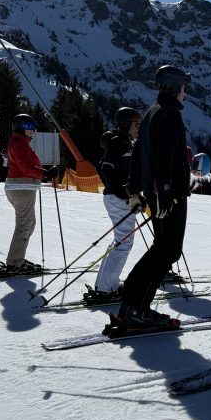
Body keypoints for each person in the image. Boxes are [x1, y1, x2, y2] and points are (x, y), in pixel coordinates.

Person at [115, 65, 193, 330]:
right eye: (184, 86)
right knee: (167, 250)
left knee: (162, 249)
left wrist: (135, 189)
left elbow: (138, 154)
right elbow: (164, 158)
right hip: (167, 196)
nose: (186, 91)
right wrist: (165, 195)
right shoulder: (170, 114)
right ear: (176, 87)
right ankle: (135, 308)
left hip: (156, 193)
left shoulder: (152, 112)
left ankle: (132, 305)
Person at [85, 107, 144, 304]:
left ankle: (106, 285)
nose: (138, 128)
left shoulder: (123, 141)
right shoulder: (119, 142)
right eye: (136, 124)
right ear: (127, 124)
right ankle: (105, 289)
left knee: (120, 241)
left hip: (119, 197)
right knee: (124, 243)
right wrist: (124, 193)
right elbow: (106, 170)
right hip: (118, 199)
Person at [0, 114, 45, 277]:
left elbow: (24, 164)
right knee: (24, 226)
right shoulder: (19, 144)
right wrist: (44, 173)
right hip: (22, 187)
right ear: (23, 128)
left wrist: (43, 171)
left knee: (29, 224)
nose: (33, 131)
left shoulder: (18, 142)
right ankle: (14, 263)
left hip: (20, 186)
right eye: (31, 128)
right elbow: (25, 167)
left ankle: (17, 259)